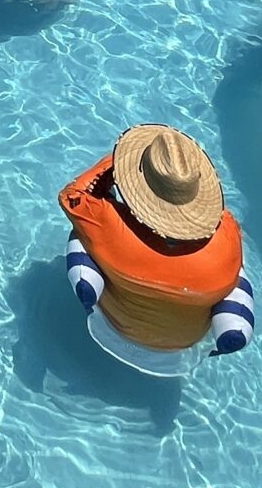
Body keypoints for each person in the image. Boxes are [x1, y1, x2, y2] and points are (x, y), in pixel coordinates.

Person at [60, 126, 243, 357]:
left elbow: (71, 196)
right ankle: (233, 327)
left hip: (116, 323)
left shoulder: (107, 223)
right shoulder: (226, 235)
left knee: (81, 231)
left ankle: (87, 285)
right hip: (185, 341)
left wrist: (116, 162)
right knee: (236, 269)